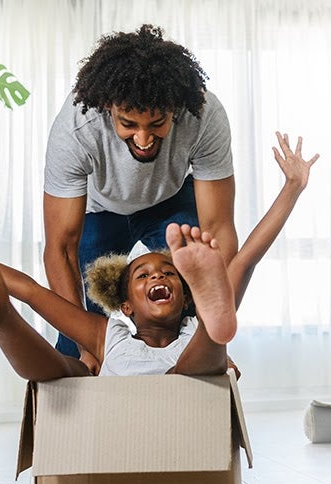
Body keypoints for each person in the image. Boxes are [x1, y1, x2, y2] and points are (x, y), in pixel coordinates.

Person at [0, 133, 317, 380]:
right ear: (126, 307)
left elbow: (246, 258)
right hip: (114, 382)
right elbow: (31, 291)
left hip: (192, 365)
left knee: (199, 356)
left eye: (167, 273)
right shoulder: (106, 334)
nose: (157, 277)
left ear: (185, 297)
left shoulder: (191, 327)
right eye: (143, 276)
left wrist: (293, 188)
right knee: (64, 372)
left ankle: (218, 332)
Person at [43, 24, 238, 367]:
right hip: (99, 212)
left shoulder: (204, 116)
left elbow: (219, 230)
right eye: (129, 124)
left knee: (187, 286)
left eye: (157, 122)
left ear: (176, 109)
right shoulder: (76, 129)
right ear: (107, 107)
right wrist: (86, 347)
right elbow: (60, 248)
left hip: (171, 202)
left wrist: (212, 342)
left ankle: (199, 355)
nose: (144, 138)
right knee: (76, 335)